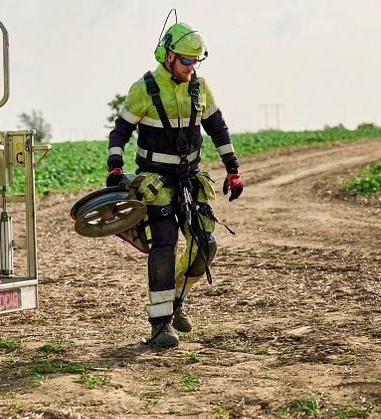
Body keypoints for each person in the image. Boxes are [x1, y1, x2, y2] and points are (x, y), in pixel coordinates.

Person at [106, 20, 244, 347]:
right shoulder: (144, 89)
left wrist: (233, 168)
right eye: (185, 60)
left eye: (196, 61)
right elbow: (119, 132)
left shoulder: (200, 87)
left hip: (190, 178)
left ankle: (177, 300)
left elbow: (218, 128)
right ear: (167, 57)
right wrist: (115, 167)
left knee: (205, 245)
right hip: (155, 181)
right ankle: (159, 325)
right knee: (164, 247)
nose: (191, 67)